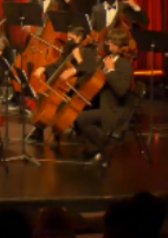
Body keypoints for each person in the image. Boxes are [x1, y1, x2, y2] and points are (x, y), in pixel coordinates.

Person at [25, 25, 97, 143]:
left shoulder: (88, 51)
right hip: (67, 85)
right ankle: (39, 130)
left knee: (57, 104)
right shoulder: (69, 48)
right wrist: (43, 68)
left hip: (79, 87)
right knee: (48, 97)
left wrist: (78, 59)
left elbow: (89, 70)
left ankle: (51, 130)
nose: (69, 42)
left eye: (71, 39)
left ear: (80, 38)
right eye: (68, 38)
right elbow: (59, 64)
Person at [75, 28, 135, 164]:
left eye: (110, 42)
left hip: (115, 111)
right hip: (104, 104)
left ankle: (101, 149)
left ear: (117, 44)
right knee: (77, 116)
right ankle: (94, 150)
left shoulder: (125, 65)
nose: (108, 45)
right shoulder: (108, 59)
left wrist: (111, 71)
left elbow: (121, 91)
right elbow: (93, 74)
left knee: (82, 119)